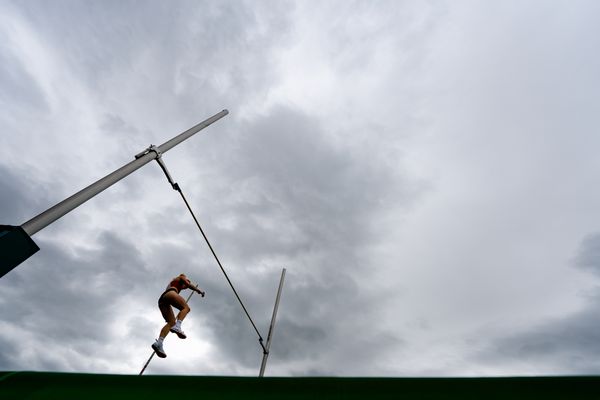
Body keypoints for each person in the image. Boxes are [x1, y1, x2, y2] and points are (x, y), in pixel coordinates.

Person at [151, 273, 205, 358]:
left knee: (171, 323)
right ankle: (178, 326)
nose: (186, 287)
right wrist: (198, 291)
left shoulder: (174, 284)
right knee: (186, 308)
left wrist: (185, 286)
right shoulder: (180, 277)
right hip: (170, 293)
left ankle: (159, 343)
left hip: (163, 300)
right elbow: (188, 284)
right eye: (186, 283)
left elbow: (185, 285)